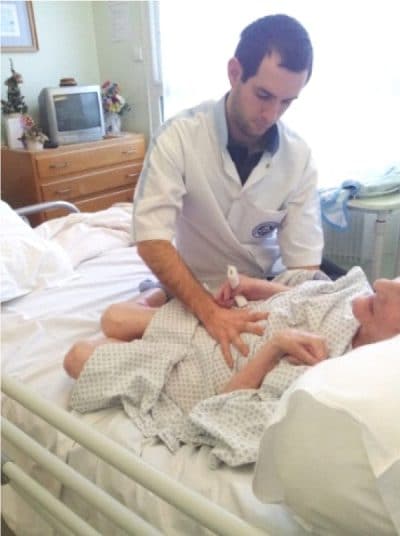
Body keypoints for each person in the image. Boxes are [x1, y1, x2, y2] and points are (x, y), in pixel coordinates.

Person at [132, 14, 324, 367]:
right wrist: (210, 313)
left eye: (287, 102)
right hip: (194, 290)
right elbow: (151, 238)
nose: (272, 114)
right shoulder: (178, 137)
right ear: (235, 73)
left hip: (265, 290)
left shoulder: (299, 157)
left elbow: (304, 266)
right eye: (263, 95)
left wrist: (273, 299)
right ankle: (157, 296)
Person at [64, 268, 400, 407]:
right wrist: (256, 287)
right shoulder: (354, 297)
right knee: (113, 317)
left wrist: (274, 347)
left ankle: (145, 342)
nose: (381, 284)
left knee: (77, 357)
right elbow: (303, 295)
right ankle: (156, 295)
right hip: (230, 322)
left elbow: (222, 406)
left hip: (204, 370)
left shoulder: (333, 373)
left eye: (395, 296)